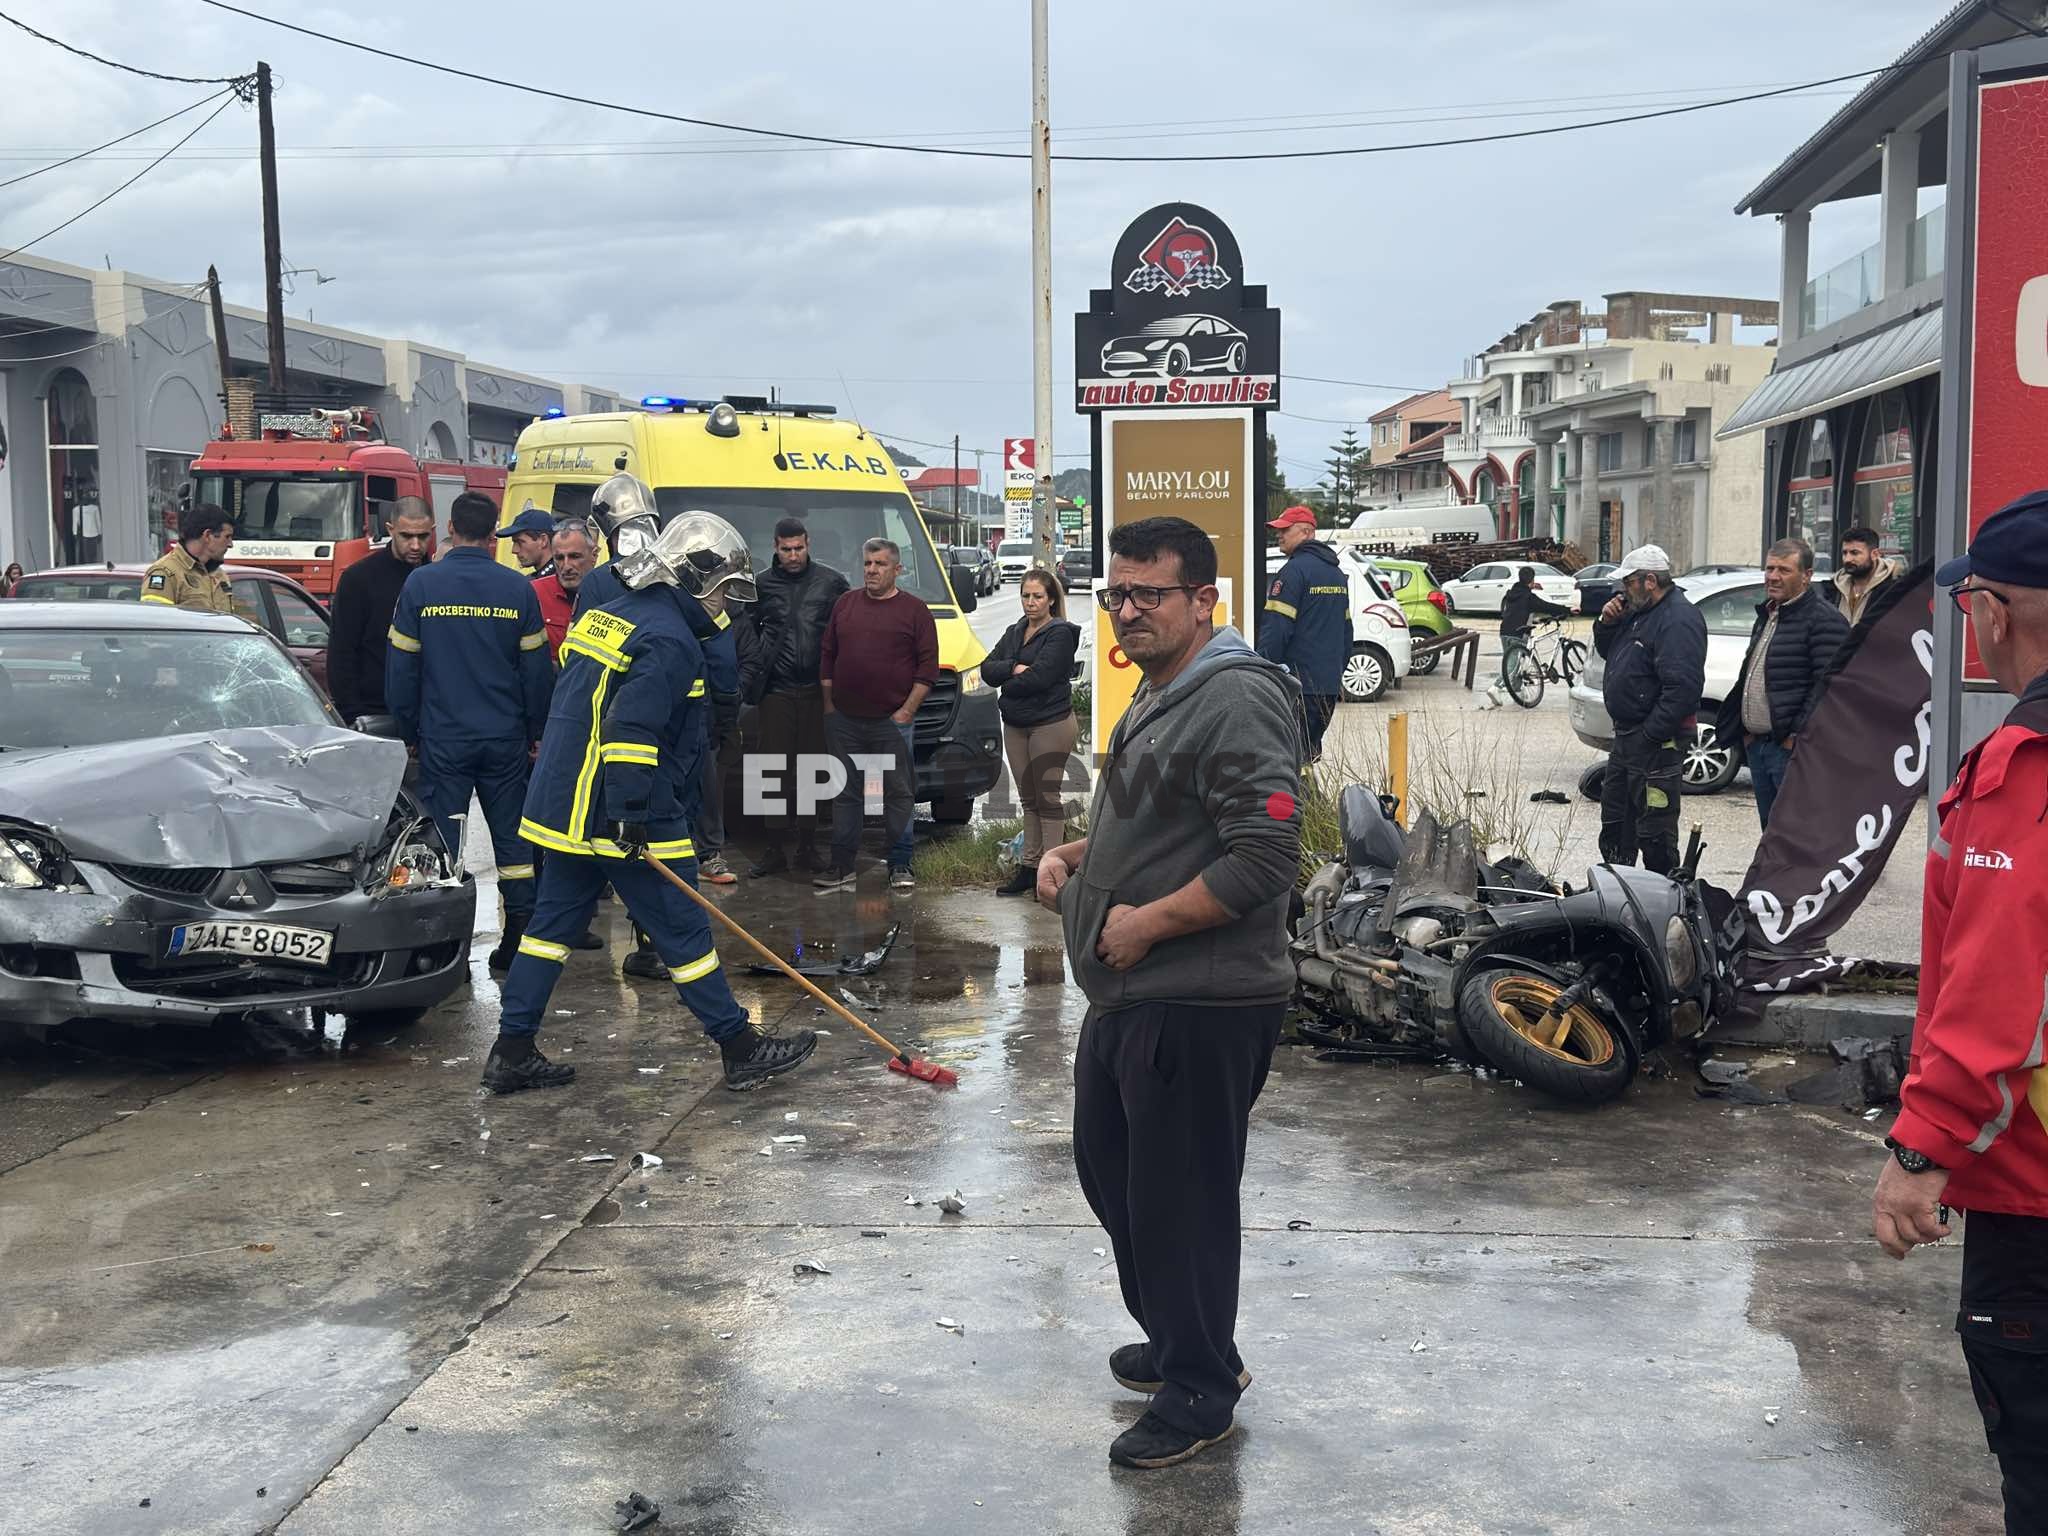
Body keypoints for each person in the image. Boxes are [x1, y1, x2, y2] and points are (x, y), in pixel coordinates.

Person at [1038, 516, 1302, 1470]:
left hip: (1199, 998)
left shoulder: (1235, 697)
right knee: (1115, 1174)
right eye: (1117, 593)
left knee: (1179, 1203)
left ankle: (1199, 1392)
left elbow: (1267, 854)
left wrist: (1145, 923)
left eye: (1150, 593)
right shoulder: (1162, 688)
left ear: (1204, 600)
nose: (1129, 610)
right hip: (1133, 992)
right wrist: (1081, 853)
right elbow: (1161, 815)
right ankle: (1185, 1339)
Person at [487, 481, 818, 1096]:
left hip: (567, 803)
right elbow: (631, 730)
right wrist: (632, 815)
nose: (723, 605)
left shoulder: (611, 613)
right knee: (683, 929)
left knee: (549, 929)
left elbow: (582, 704)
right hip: (621, 807)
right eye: (720, 591)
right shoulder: (670, 640)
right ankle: (739, 1045)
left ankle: (511, 1049)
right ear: (693, 580)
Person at [1872, 487, 2048, 1533]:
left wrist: (1920, 1147)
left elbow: (2002, 993)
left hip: (2035, 1200)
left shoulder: (2022, 770)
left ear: (1997, 612)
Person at [385, 491, 552, 973]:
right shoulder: (517, 589)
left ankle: (444, 951)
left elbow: (402, 670)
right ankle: (519, 936)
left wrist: (408, 729)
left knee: (443, 842)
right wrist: (535, 730)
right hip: (505, 738)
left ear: (451, 529)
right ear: (493, 532)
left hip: (443, 738)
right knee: (514, 842)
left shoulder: (422, 585)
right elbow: (536, 672)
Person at [816, 537, 937, 893]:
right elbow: (827, 654)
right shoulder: (845, 604)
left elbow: (928, 668)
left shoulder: (915, 611)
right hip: (845, 721)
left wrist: (907, 711)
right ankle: (842, 866)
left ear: (897, 569)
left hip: (892, 723)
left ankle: (900, 863)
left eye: (880, 564)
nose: (871, 570)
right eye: (868, 563)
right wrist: (829, 705)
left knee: (898, 794)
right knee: (846, 794)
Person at [1714, 537, 1849, 828]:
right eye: (1770, 568)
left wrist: (1793, 738)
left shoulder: (1824, 620)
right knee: (1771, 831)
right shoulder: (1769, 613)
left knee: (1797, 832)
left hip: (1789, 751)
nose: (1773, 576)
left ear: (1807, 575)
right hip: (1759, 746)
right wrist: (1747, 734)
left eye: (1784, 570)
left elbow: (1828, 688)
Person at [1592, 544, 1705, 874]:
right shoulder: (1638, 613)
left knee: (1655, 831)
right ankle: (1619, 888)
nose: (1622, 591)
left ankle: (1662, 893)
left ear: (1650, 581)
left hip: (1657, 744)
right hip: (1628, 738)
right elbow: (1611, 653)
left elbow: (1682, 690)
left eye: (1628, 583)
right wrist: (1607, 623)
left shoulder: (1678, 620)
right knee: (1616, 821)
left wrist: (1650, 734)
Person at [747, 518, 850, 877]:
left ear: (808, 544)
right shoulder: (760, 585)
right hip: (776, 689)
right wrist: (757, 665)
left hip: (815, 690)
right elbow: (746, 631)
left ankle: (807, 845)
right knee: (771, 770)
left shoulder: (831, 583)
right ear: (775, 547)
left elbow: (845, 630)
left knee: (812, 770)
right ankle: (774, 847)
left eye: (799, 548)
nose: (793, 556)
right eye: (786, 549)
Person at [983, 567, 1081, 897]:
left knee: (1047, 798)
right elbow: (987, 669)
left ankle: (1050, 872)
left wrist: (1008, 684)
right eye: (1025, 595)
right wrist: (1013, 667)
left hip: (1050, 723)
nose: (1030, 602)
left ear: (1050, 599)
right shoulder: (1015, 631)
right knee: (1029, 799)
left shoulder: (1060, 633)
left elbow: (1042, 678)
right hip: (1016, 725)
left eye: (1037, 596)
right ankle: (1028, 867)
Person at [327, 497, 434, 724]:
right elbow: (342, 651)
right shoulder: (359, 578)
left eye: (423, 536)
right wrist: (353, 713)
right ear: (390, 529)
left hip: (428, 712)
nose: (416, 545)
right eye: (406, 536)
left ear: (433, 531)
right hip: (373, 710)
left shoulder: (438, 579)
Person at [1255, 504, 1348, 757]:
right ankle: (1307, 784)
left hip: (1296, 686)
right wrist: (1336, 672)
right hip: (1327, 687)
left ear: (1307, 532)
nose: (1279, 535)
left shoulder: (1293, 572)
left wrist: (1261, 673)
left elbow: (1276, 631)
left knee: (1286, 756)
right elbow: (1346, 631)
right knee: (1307, 752)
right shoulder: (1336, 574)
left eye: (1285, 530)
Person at [1491, 566, 1575, 704]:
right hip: (1518, 632)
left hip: (1505, 631)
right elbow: (1546, 606)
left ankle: (1517, 689)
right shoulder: (1528, 597)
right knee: (1512, 664)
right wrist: (1568, 610)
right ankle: (1495, 687)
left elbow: (1514, 611)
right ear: (1532, 580)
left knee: (1514, 660)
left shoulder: (1512, 593)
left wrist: (1531, 617)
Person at [140, 504, 236, 614]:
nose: (230, 544)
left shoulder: (219, 575)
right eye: (227, 537)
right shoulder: (165, 573)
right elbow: (156, 619)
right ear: (207, 535)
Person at [535, 517, 598, 663]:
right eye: (559, 558)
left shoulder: (611, 595)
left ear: (594, 555)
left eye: (575, 556)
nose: (567, 566)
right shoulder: (534, 593)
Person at [1826, 524, 1905, 626]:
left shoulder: (1893, 589)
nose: (1847, 559)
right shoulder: (1833, 588)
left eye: (1855, 553)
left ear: (1875, 554)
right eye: (1845, 553)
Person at [496, 504, 556, 576]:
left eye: (520, 542)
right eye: (514, 542)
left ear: (543, 540)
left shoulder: (561, 579)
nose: (514, 550)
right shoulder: (560, 576)